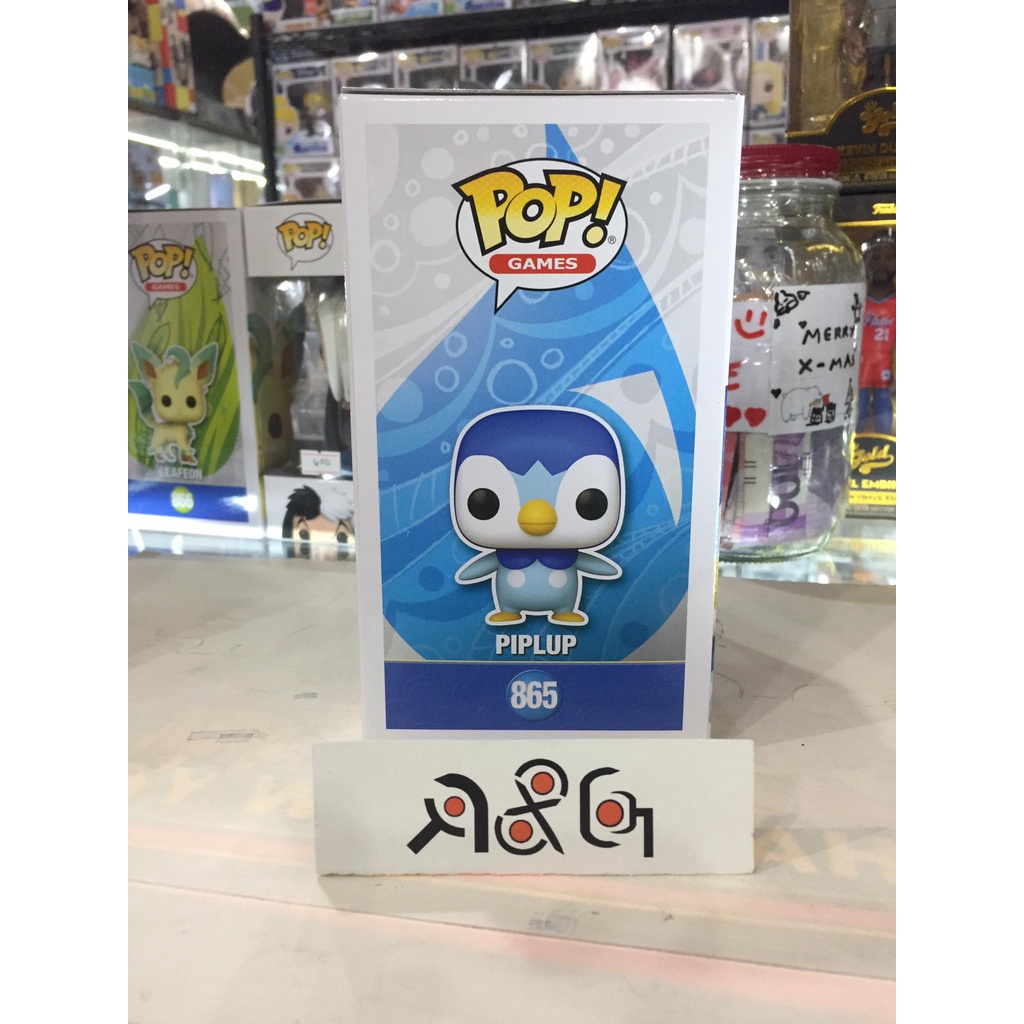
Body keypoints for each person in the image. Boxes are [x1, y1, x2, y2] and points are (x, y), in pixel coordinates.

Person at [858, 230, 896, 435]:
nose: (882, 264)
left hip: (887, 367)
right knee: (858, 409)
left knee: (884, 407)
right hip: (859, 368)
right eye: (875, 258)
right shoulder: (856, 299)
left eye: (889, 258)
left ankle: (887, 447)